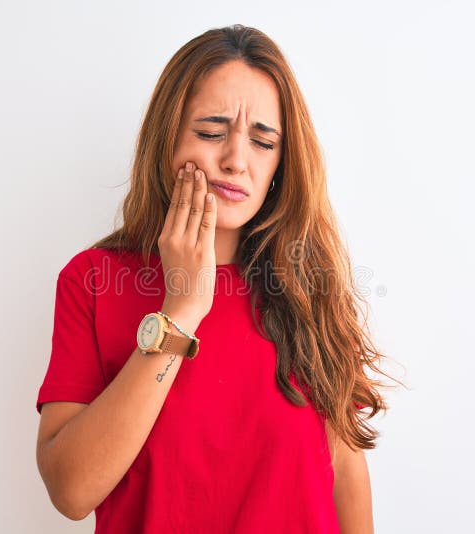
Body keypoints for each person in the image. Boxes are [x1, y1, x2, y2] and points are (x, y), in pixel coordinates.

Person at [35, 24, 395, 533]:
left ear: (281, 165)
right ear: (167, 137)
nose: (236, 160)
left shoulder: (309, 286)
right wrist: (181, 308)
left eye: (263, 143)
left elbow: (345, 473)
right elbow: (71, 491)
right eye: (210, 132)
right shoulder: (92, 282)